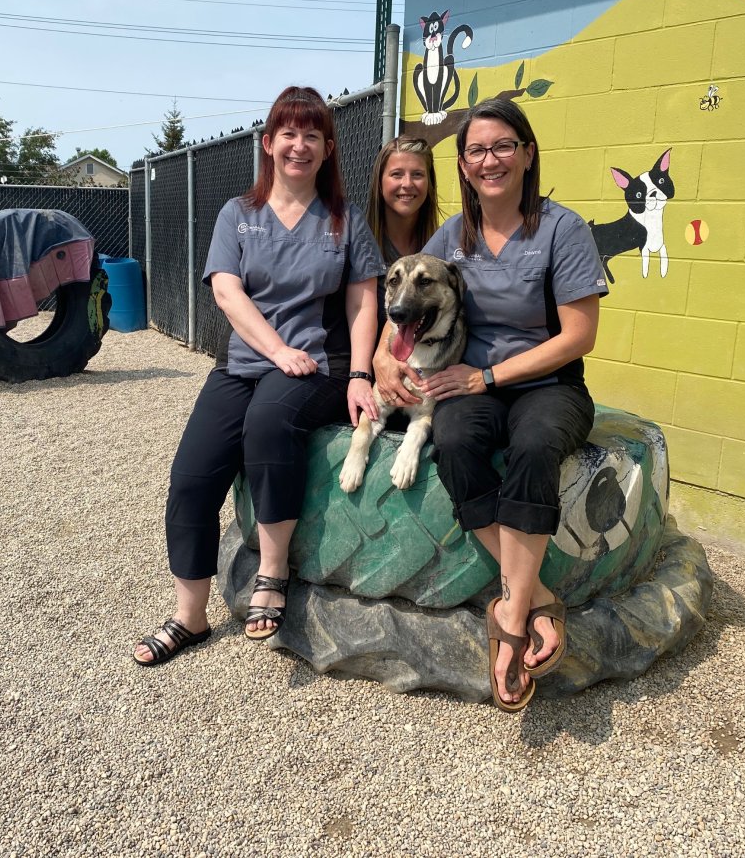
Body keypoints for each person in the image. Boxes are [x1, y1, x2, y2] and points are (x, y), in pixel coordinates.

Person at [134, 86, 384, 667]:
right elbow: (226, 290)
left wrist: (362, 373)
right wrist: (274, 350)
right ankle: (189, 615)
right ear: (268, 143)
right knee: (191, 476)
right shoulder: (237, 215)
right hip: (248, 362)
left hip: (316, 364)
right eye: (288, 134)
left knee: (270, 425)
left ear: (327, 150)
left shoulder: (344, 222)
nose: (300, 145)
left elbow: (363, 303)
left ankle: (273, 573)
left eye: (313, 135)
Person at [373, 98, 607, 711]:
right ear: (463, 164)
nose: (490, 160)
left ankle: (509, 616)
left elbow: (578, 336)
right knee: (454, 442)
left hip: (547, 388)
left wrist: (487, 377)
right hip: (468, 386)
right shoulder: (454, 236)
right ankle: (538, 597)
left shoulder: (563, 229)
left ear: (528, 154)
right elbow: (404, 296)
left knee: (532, 446)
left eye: (503, 146)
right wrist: (380, 356)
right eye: (476, 150)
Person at [364, 136, 441, 334]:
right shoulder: (359, 243)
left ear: (429, 182)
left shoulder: (442, 245)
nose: (407, 184)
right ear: (379, 181)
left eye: (417, 174)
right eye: (397, 174)